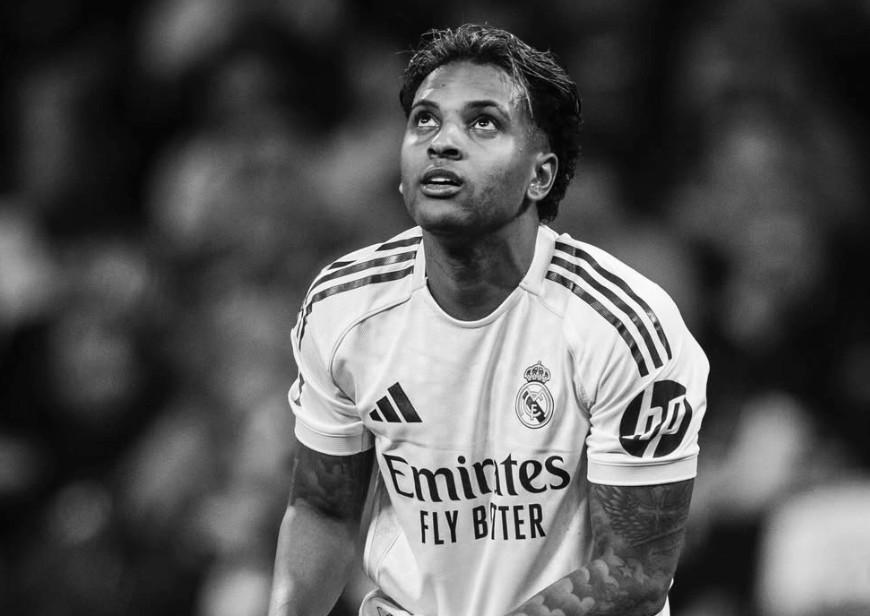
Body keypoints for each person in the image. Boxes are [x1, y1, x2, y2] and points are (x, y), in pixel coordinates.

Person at [268, 23, 709, 616]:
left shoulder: (624, 325)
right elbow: (323, 509)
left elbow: (633, 574)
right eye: (425, 120)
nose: (442, 142)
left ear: (540, 176)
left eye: (482, 123)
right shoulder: (343, 307)